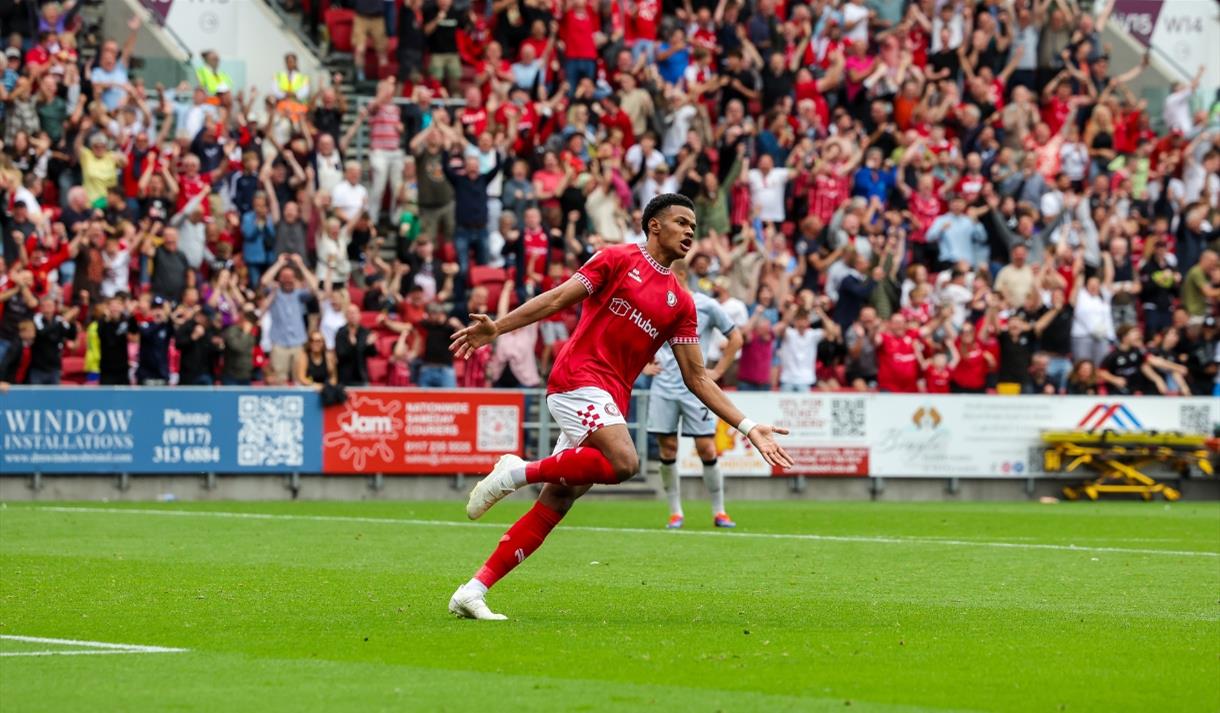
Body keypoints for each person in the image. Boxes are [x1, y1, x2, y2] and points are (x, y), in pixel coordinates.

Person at [445, 194, 793, 620]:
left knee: (557, 502)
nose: (689, 232)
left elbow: (697, 377)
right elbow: (557, 299)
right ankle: (515, 472)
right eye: (681, 223)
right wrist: (497, 327)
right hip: (577, 379)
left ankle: (472, 590)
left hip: (609, 399)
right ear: (654, 226)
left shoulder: (681, 303)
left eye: (693, 227)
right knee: (625, 462)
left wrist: (749, 425)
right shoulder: (615, 259)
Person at [645, 259, 743, 530]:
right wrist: (644, 365)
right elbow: (637, 337)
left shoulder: (707, 305)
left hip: (695, 389)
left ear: (681, 274)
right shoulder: (657, 303)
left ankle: (719, 511)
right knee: (668, 448)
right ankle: (675, 512)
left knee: (706, 447)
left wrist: (718, 370)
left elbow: (736, 338)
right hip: (663, 386)